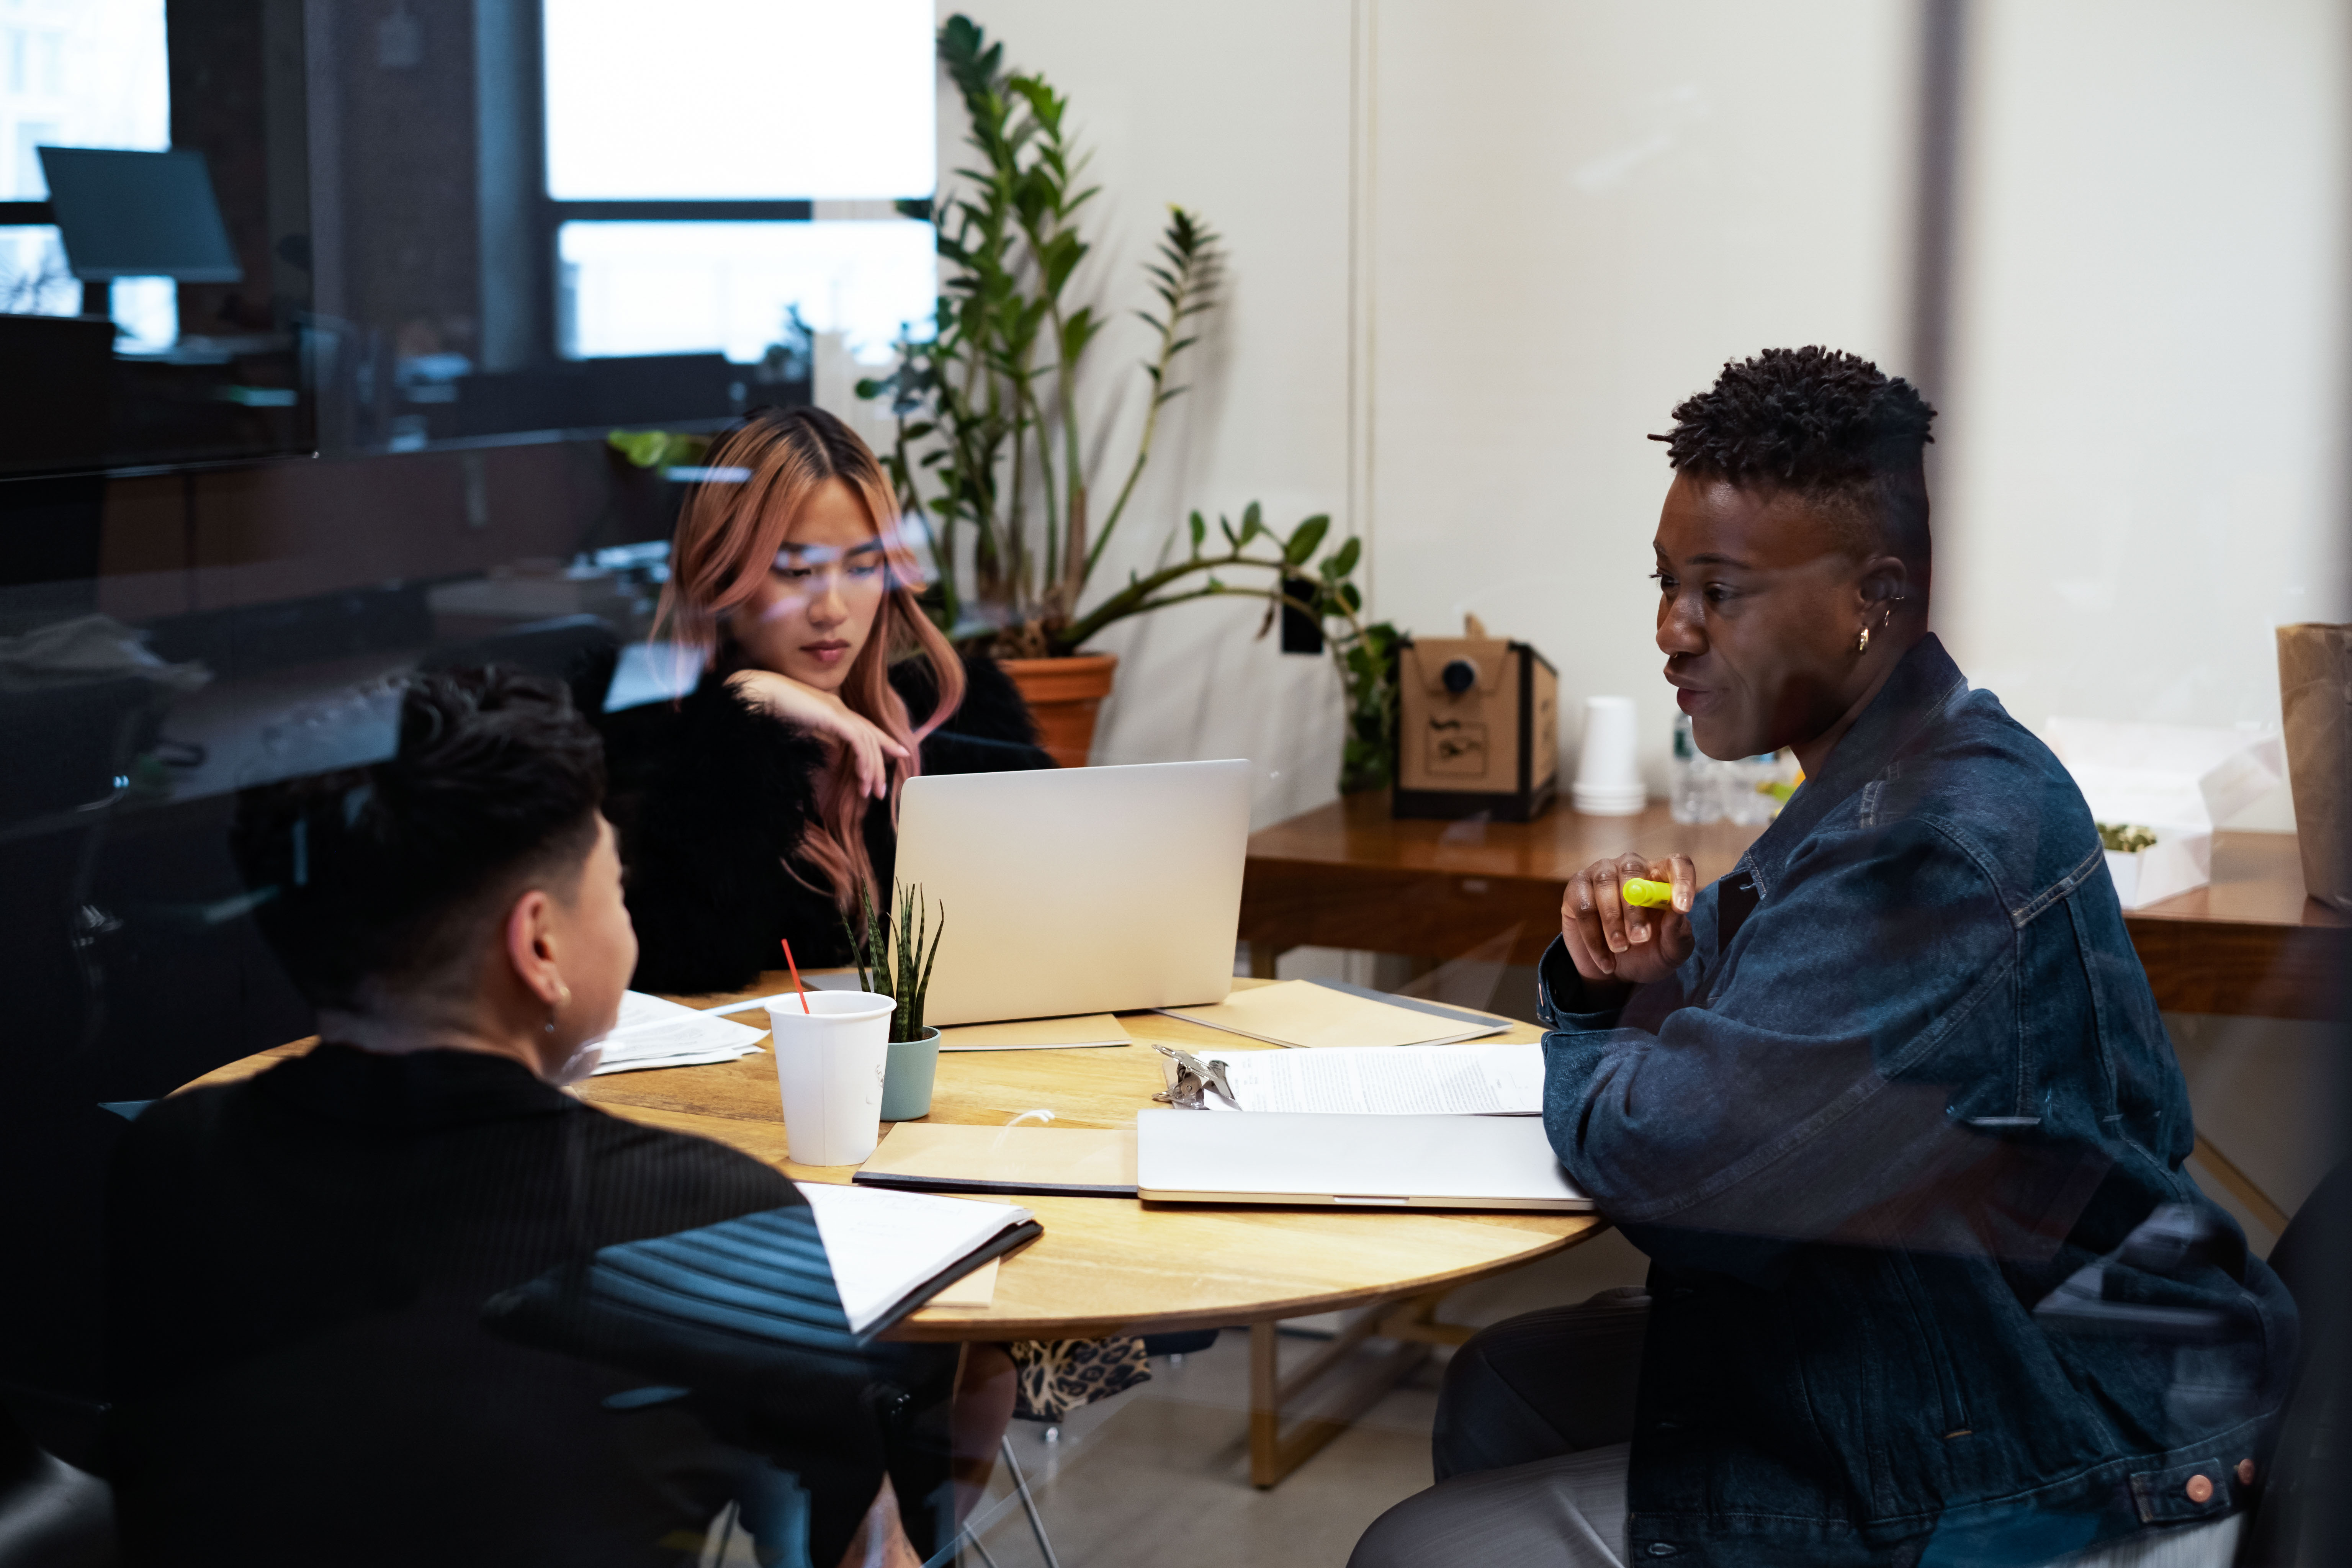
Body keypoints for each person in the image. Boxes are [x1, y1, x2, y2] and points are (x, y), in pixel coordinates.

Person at [1351, 348, 2296, 1568]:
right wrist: (1613, 983)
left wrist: (1584, 1035)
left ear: (1878, 596)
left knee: (1416, 1552)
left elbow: (1670, 1167)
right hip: (1959, 1332)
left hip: (2066, 1443)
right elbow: (1788, 1072)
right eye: (1663, 582)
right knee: (1498, 1386)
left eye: (1721, 592)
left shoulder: (1934, 846)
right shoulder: (1912, 772)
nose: (1667, 632)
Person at [106, 668, 966, 1568]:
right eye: (612, 880)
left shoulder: (171, 1158)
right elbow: (862, 1551)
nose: (625, 907)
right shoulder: (708, 1215)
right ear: (540, 943)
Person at [618, 404, 1053, 996]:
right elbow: (691, 968)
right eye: (796, 572)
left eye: (863, 566)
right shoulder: (656, 748)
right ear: (720, 577)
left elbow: (1037, 944)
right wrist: (743, 711)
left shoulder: (953, 722)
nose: (831, 609)